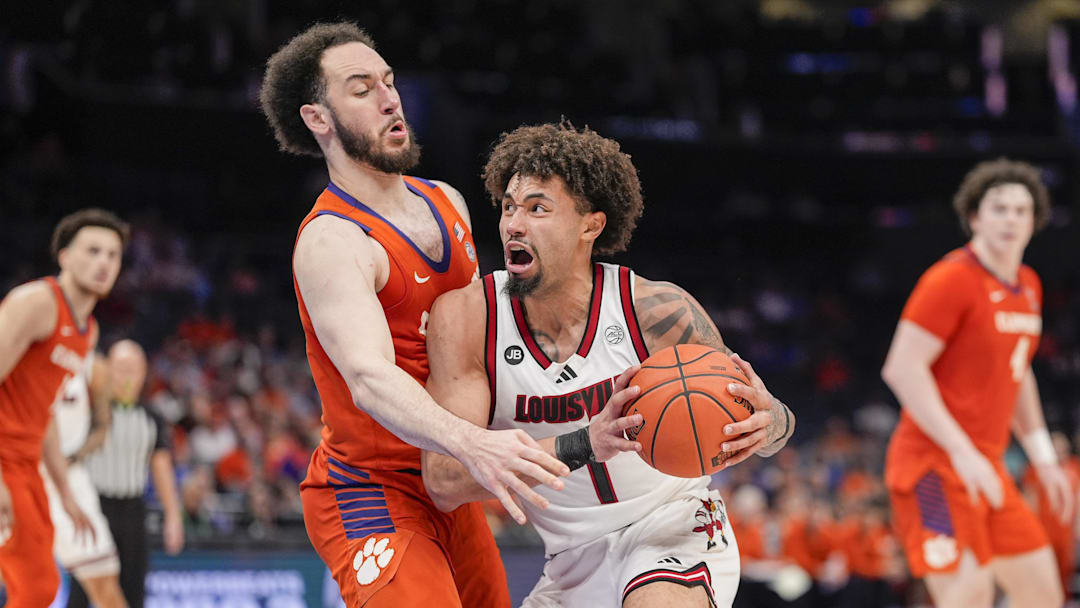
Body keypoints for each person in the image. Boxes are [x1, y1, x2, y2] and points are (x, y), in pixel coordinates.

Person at [258, 22, 569, 607]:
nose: (388, 97)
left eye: (389, 80)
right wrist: (472, 444)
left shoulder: (447, 200)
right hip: (371, 490)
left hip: (450, 482)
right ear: (317, 119)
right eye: (360, 88)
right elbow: (370, 379)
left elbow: (484, 340)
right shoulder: (333, 241)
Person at [421, 122, 795, 607]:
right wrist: (584, 443)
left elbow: (775, 429)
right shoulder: (469, 319)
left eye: (538, 208)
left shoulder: (658, 311)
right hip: (570, 561)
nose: (514, 224)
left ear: (590, 226)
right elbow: (445, 480)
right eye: (509, 207)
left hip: (674, 525)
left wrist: (771, 424)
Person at [882, 158, 1070, 607]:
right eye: (999, 208)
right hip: (930, 469)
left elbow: (1018, 369)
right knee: (970, 597)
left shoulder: (1028, 285)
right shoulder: (951, 279)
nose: (1011, 219)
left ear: (1035, 221)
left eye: (1021, 210)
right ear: (974, 217)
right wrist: (961, 451)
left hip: (988, 467)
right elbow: (902, 369)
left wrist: (1043, 457)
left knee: (1043, 594)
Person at [0, 208, 126, 607]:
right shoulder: (37, 302)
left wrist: (66, 494)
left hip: (28, 463)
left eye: (113, 254)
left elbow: (45, 412)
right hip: (2, 461)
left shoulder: (89, 333)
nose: (103, 262)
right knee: (35, 586)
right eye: (92, 251)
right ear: (65, 257)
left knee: (40, 588)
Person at [67, 339, 184, 608]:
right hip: (94, 508)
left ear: (144, 373)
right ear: (107, 370)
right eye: (121, 368)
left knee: (133, 589)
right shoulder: (89, 410)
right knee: (82, 589)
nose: (127, 376)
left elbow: (161, 467)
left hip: (133, 510)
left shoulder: (152, 418)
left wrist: (173, 516)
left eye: (134, 368)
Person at [43, 356, 127, 608]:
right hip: (20, 471)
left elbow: (102, 428)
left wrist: (72, 457)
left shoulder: (93, 365)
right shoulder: (16, 341)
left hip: (71, 475)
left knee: (103, 582)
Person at [1021, 431, 1080, 600]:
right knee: (1045, 568)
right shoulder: (1034, 470)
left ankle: (1062, 601)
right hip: (1044, 525)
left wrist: (1077, 524)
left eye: (1061, 446)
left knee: (1065, 568)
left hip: (1066, 526)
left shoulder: (1075, 466)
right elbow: (1030, 499)